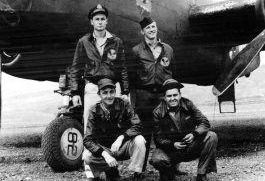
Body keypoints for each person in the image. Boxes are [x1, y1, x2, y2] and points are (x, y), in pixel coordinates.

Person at [129, 17, 182, 172]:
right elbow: (132, 78)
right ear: (142, 31)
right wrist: (134, 103)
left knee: (168, 131)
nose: (151, 30)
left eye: (153, 27)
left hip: (163, 97)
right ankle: (139, 169)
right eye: (147, 28)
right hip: (144, 96)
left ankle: (171, 167)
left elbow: (174, 74)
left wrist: (174, 95)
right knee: (144, 134)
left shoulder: (168, 49)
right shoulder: (136, 51)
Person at [70, 4, 129, 132]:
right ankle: (89, 152)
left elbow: (122, 68)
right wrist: (74, 93)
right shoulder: (84, 42)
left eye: (103, 19)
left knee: (115, 125)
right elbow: (76, 68)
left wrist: (125, 92)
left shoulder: (116, 41)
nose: (100, 22)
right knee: (90, 124)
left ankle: (114, 152)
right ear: (92, 22)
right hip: (92, 88)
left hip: (112, 89)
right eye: (97, 19)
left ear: (107, 21)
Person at [150, 79, 218, 181]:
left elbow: (204, 122)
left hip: (189, 147)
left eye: (175, 95)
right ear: (164, 97)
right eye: (169, 96)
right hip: (170, 150)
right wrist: (172, 144)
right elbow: (158, 139)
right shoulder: (157, 112)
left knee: (211, 136)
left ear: (180, 95)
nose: (172, 98)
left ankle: (201, 174)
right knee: (157, 159)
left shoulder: (188, 104)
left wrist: (194, 134)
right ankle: (168, 173)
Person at [82, 78, 146, 181]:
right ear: (99, 94)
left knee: (140, 140)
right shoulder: (94, 111)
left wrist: (122, 137)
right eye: (105, 93)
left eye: (112, 92)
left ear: (115, 92)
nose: (109, 96)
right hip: (105, 149)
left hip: (123, 146)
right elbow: (87, 139)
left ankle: (136, 173)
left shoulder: (124, 105)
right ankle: (108, 172)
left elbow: (138, 124)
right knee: (87, 155)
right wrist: (105, 154)